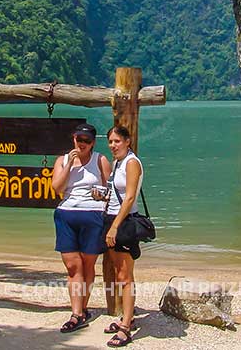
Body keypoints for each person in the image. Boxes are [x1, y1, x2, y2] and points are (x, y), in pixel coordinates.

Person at [51, 123, 111, 333]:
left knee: (87, 266)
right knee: (72, 267)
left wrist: (101, 194)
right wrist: (70, 164)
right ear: (73, 139)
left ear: (93, 143)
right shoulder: (62, 160)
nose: (82, 144)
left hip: (92, 215)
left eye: (86, 141)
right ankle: (76, 313)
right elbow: (57, 188)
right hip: (66, 214)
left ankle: (82, 309)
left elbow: (110, 191)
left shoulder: (100, 160)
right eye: (79, 139)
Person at [102, 125, 143, 347]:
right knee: (119, 273)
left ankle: (126, 327)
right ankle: (127, 317)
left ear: (128, 141)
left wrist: (115, 226)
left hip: (124, 223)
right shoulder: (118, 163)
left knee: (126, 276)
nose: (113, 145)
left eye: (117, 141)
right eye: (110, 141)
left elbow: (129, 199)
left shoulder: (132, 162)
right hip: (112, 219)